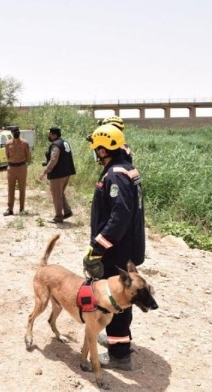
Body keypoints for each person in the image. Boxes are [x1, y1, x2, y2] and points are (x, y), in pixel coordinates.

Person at [82, 124, 146, 371]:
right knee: (121, 298)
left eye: (96, 148)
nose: (95, 152)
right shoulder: (126, 167)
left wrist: (98, 248)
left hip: (117, 249)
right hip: (126, 246)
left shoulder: (116, 174)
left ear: (103, 149)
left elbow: (119, 217)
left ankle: (120, 355)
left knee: (116, 298)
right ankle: (116, 340)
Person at [38, 126, 76, 223]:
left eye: (50, 134)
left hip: (58, 174)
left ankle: (58, 217)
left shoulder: (56, 145)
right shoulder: (65, 142)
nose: (49, 136)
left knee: (56, 195)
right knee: (60, 193)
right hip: (66, 173)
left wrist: (44, 172)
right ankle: (67, 211)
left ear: (54, 135)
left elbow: (53, 160)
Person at [3, 126, 32, 216]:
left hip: (21, 168)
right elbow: (7, 156)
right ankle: (10, 209)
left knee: (22, 189)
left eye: (17, 132)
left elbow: (28, 156)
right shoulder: (8, 144)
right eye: (15, 132)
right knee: (10, 189)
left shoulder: (24, 143)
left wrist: (24, 164)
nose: (16, 133)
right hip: (11, 168)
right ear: (12, 133)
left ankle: (22, 209)